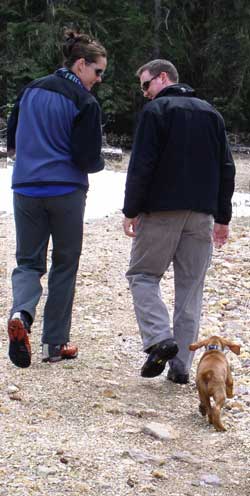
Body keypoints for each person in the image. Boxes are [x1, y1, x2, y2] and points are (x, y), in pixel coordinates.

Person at [123, 59, 235, 384]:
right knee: (190, 288)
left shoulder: (157, 112)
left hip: (159, 211)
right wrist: (222, 217)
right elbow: (227, 168)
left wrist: (131, 209)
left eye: (146, 85)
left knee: (143, 275)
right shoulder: (211, 113)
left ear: (162, 78)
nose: (145, 94)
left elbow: (141, 165)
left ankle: (160, 338)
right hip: (201, 214)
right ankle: (182, 366)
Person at [7, 29, 107, 367]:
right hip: (65, 190)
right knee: (64, 264)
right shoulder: (85, 102)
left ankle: (21, 313)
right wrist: (99, 161)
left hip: (25, 188)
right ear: (81, 65)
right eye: (98, 71)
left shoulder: (30, 89)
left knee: (28, 263)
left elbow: (12, 139)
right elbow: (87, 158)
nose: (99, 79)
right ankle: (55, 344)